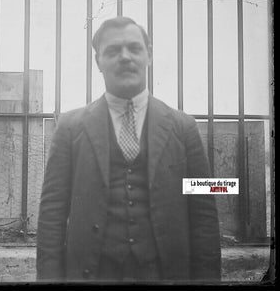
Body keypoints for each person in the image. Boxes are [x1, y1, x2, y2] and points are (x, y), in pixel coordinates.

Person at [37, 16, 221, 282]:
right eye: (112, 51)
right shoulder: (69, 127)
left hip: (166, 274)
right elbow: (52, 211)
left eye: (134, 48)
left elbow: (204, 212)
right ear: (97, 62)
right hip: (92, 273)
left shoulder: (184, 127)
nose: (125, 57)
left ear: (149, 55)